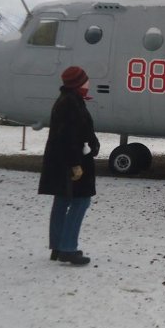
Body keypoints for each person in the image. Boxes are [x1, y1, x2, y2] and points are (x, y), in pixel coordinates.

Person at [38, 66, 100, 265]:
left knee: (63, 199)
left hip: (62, 160)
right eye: (86, 79)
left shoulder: (70, 100)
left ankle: (58, 246)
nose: (89, 82)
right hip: (72, 160)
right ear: (78, 83)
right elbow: (68, 136)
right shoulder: (70, 103)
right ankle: (68, 248)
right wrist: (75, 164)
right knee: (81, 201)